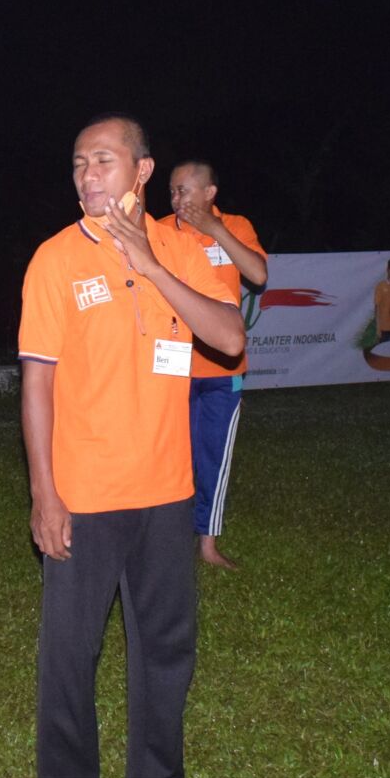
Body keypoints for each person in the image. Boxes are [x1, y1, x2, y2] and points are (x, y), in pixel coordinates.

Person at [19, 116, 245, 778]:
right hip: (85, 494)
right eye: (78, 163)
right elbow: (38, 383)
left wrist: (150, 264)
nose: (86, 175)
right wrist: (44, 493)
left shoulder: (183, 250)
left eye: (103, 161)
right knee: (70, 656)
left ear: (142, 171)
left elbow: (229, 337)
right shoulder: (56, 258)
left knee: (166, 650)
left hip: (167, 491)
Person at [156, 160, 268, 568]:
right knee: (172, 458)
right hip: (173, 367)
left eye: (184, 190)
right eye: (172, 190)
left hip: (223, 370)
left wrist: (215, 229)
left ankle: (207, 543)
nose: (176, 199)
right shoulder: (160, 230)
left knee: (213, 458)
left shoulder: (236, 226)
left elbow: (258, 275)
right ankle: (168, 540)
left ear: (209, 193)